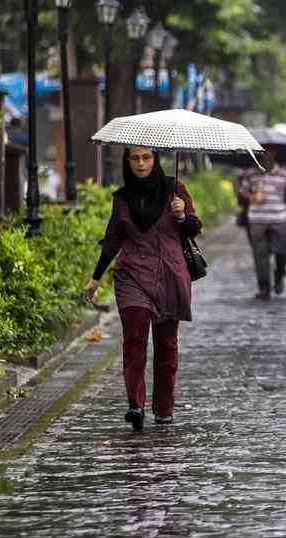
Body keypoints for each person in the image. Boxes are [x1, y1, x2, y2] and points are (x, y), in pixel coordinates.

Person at [83, 147, 202, 431]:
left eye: (146, 157)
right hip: (132, 277)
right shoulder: (122, 199)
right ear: (128, 162)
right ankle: (135, 405)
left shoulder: (175, 190)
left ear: (155, 159)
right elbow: (112, 239)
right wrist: (96, 277)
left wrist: (182, 215)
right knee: (134, 340)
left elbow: (195, 228)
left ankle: (164, 409)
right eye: (134, 158)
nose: (140, 163)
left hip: (170, 277)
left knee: (166, 345)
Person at [238, 146, 286, 300]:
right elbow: (242, 195)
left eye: (269, 151)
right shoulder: (251, 174)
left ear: (275, 153)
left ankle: (279, 275)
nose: (266, 155)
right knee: (260, 256)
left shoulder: (284, 174)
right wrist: (252, 197)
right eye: (263, 151)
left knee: (282, 252)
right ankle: (264, 288)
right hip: (257, 220)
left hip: (279, 219)